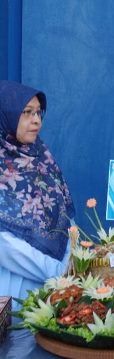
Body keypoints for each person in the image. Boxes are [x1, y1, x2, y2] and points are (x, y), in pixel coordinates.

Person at [0, 81, 76, 308]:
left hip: (58, 288)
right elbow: (4, 244)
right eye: (26, 112)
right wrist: (58, 271)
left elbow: (66, 218)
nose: (36, 120)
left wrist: (71, 262)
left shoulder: (42, 159)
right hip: (16, 288)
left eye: (38, 112)